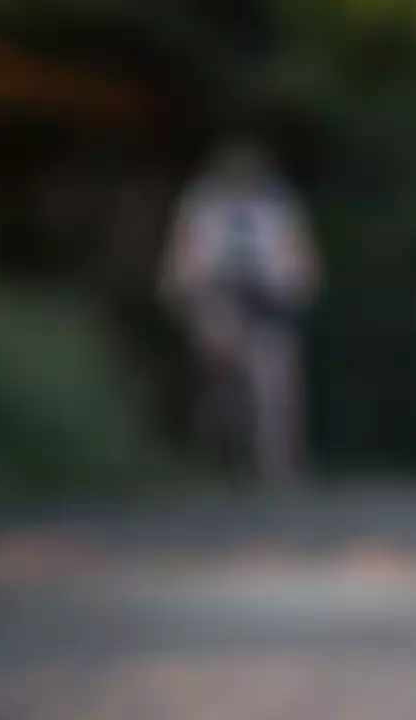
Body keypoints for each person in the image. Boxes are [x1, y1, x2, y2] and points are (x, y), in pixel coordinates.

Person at [159, 139, 320, 487]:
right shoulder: (201, 204)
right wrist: (192, 303)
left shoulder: (277, 205)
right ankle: (221, 461)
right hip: (216, 297)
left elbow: (302, 261)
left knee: (275, 384)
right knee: (224, 383)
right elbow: (181, 261)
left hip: (269, 298)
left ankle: (276, 468)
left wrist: (297, 287)